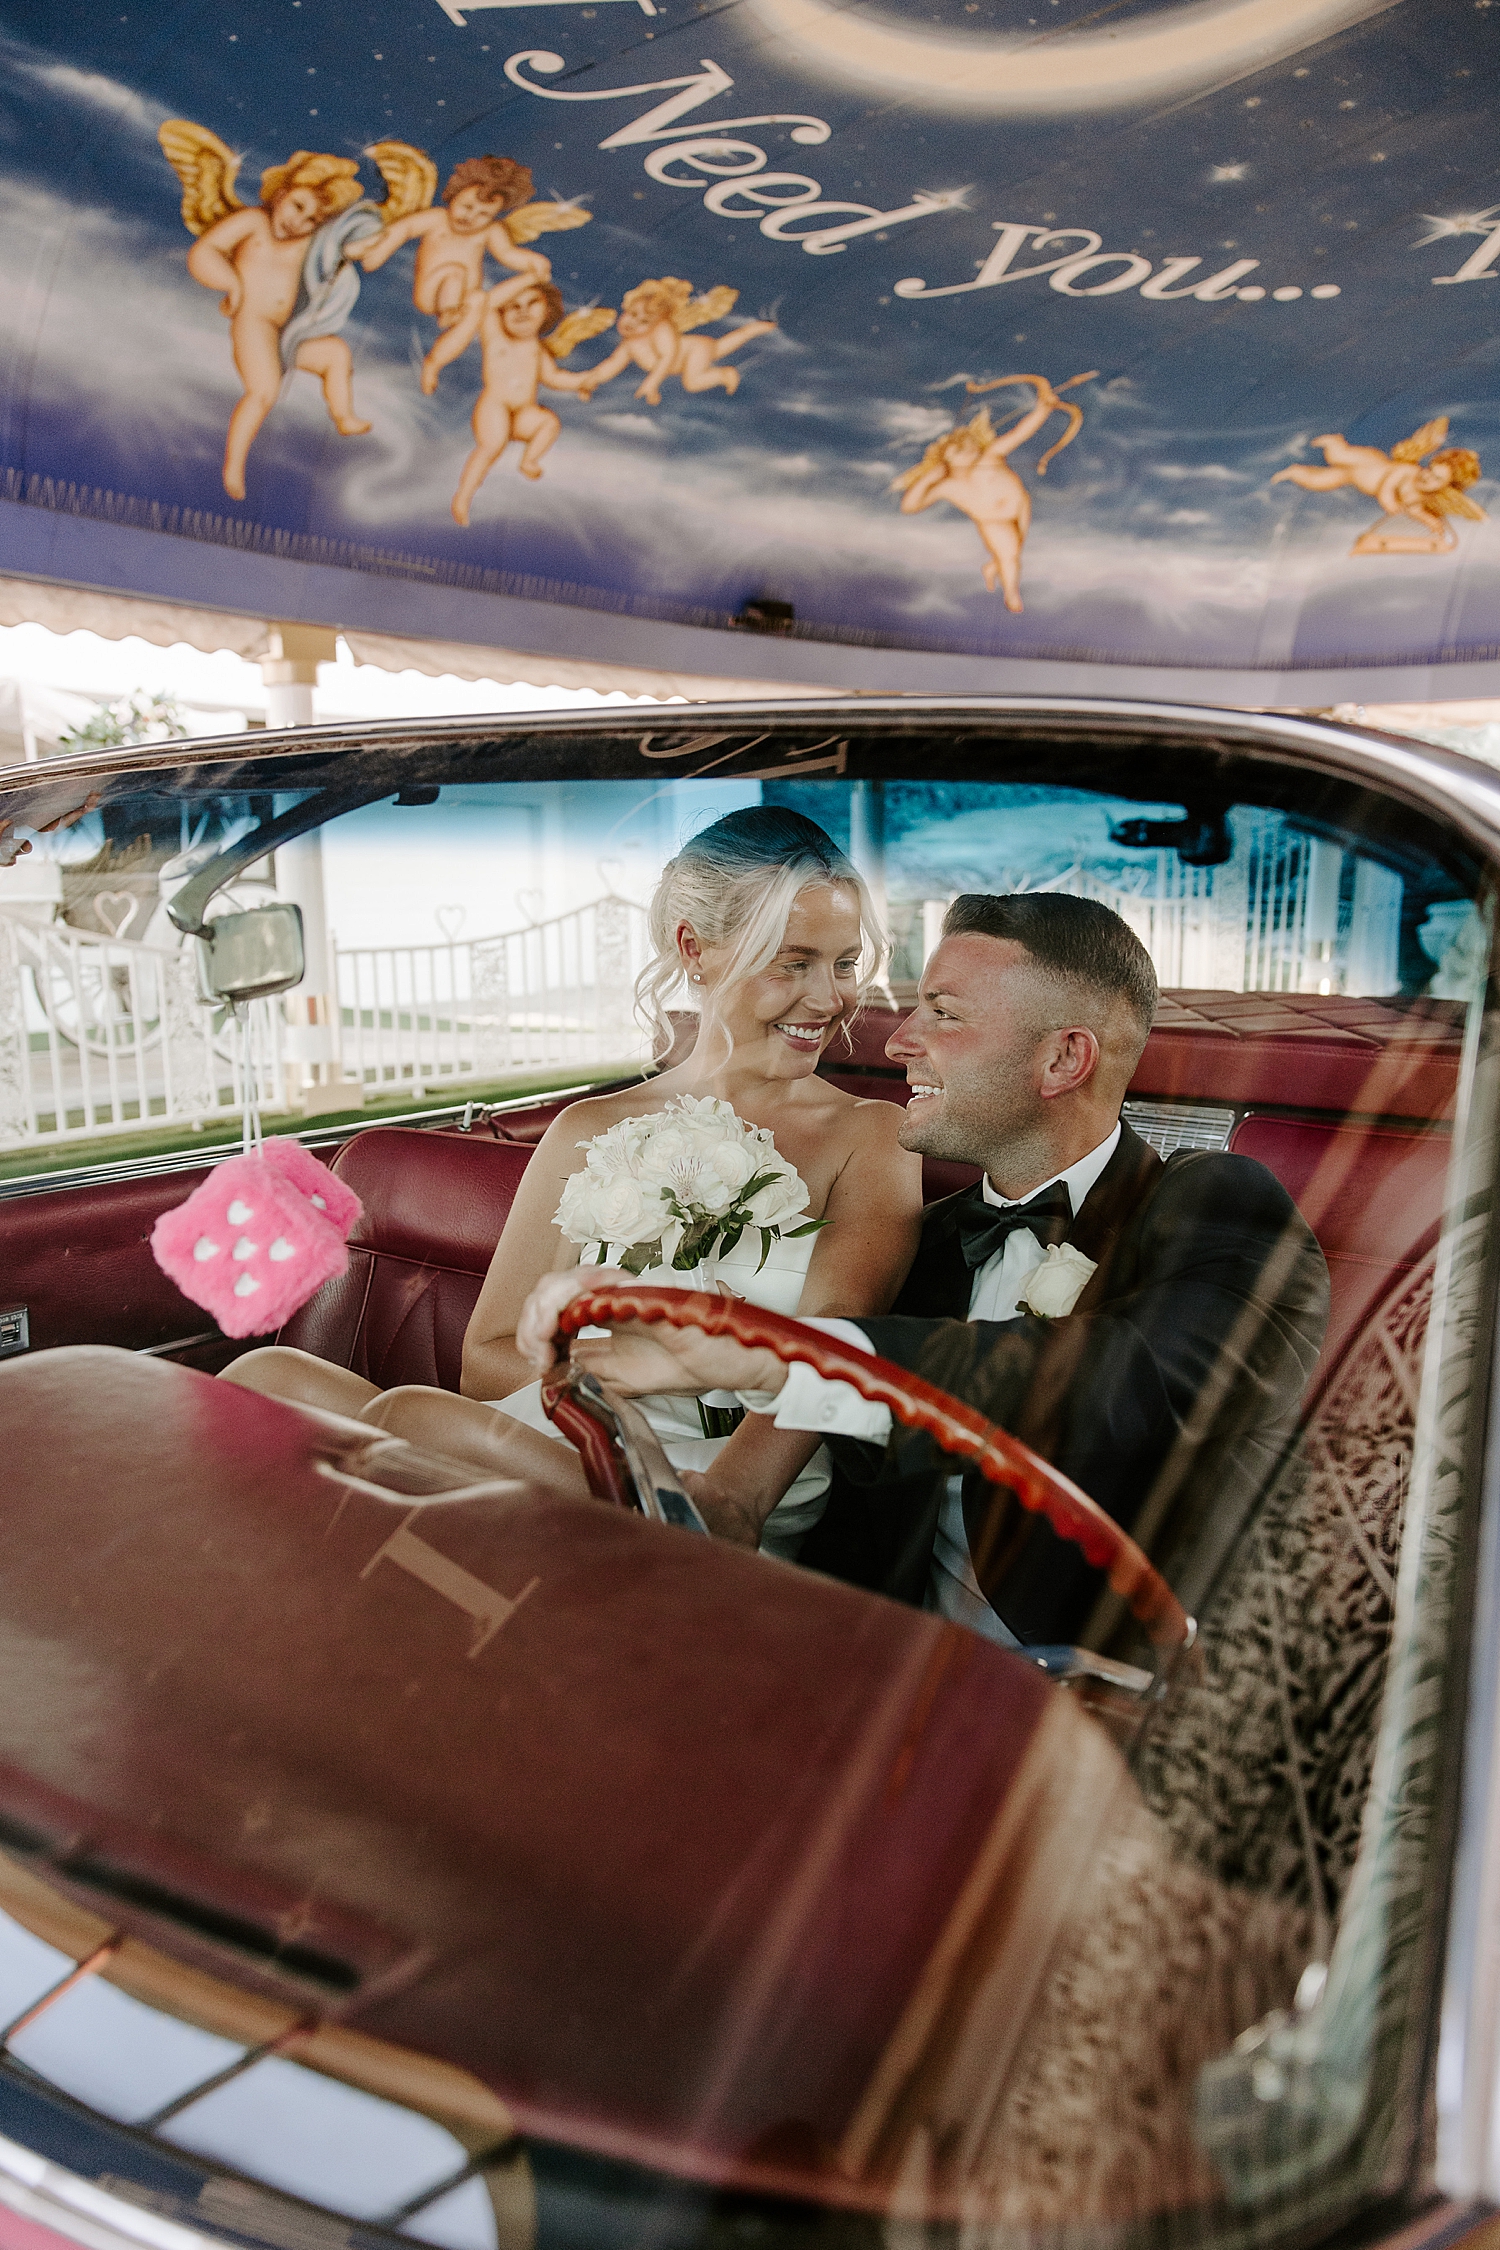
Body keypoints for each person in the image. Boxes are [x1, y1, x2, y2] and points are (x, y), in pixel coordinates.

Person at [514, 892, 1330, 1647]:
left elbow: (1128, 1384)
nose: (898, 1040)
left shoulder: (1217, 1204)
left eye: (941, 1013)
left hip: (1120, 1713)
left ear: (1062, 1061)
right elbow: (855, 1496)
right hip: (892, 1681)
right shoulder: (932, 1243)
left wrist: (774, 1351)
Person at [225, 807, 923, 1558]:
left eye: (845, 964)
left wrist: (728, 1491)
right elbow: (486, 1359)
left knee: (416, 1424)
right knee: (266, 1376)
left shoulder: (874, 1136)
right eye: (793, 962)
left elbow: (839, 1339)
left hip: (722, 1480)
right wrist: (621, 1360)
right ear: (695, 949)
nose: (830, 999)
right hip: (568, 1428)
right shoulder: (588, 1130)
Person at [182, 154, 372, 500]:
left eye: (312, 219)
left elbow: (346, 250)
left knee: (336, 354)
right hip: (254, 323)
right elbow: (204, 252)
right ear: (280, 194)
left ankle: (343, 416)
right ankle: (234, 466)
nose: (299, 221)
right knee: (264, 391)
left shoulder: (310, 244)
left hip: (289, 332)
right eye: (298, 206)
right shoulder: (253, 222)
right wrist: (233, 284)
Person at [446, 276, 600, 521]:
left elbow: (554, 377)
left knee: (548, 422)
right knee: (491, 446)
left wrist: (581, 381)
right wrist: (528, 278)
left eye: (532, 304)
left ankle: (529, 460)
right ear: (501, 313)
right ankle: (464, 496)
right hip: (495, 405)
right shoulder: (496, 336)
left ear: (547, 311)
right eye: (513, 306)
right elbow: (486, 303)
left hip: (524, 411)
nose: (523, 312)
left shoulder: (537, 350)